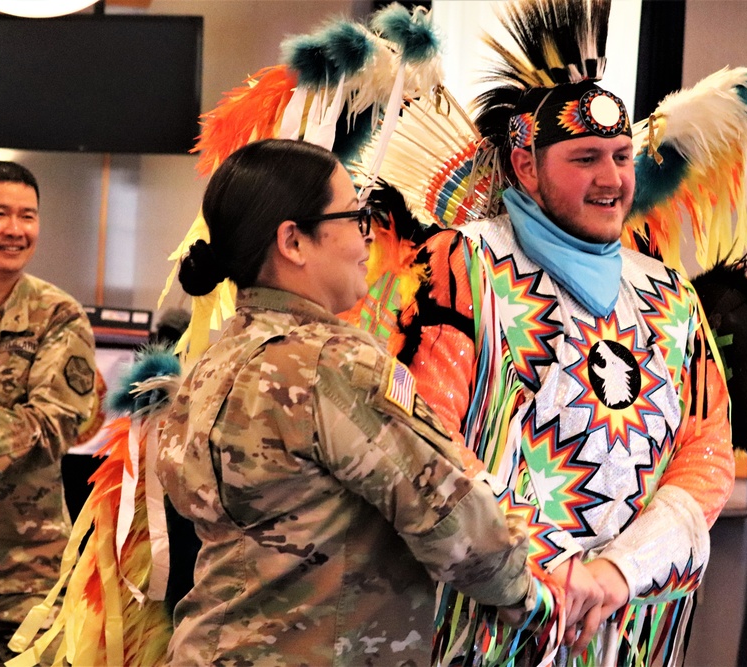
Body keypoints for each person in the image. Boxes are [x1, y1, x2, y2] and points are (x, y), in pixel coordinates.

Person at [393, 4, 736, 662]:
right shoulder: (460, 268)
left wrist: (616, 572)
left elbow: (706, 453)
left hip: (626, 625)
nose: (612, 178)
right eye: (585, 158)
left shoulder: (670, 296)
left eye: (620, 156)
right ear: (526, 165)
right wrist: (539, 572)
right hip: (491, 625)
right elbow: (423, 439)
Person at [157, 138, 537, 666]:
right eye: (355, 216)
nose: (369, 235)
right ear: (293, 240)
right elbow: (452, 520)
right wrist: (532, 598)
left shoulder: (215, 360)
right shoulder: (332, 363)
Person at [0, 161, 97, 663]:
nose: (15, 229)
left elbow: (54, 424)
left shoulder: (59, 314)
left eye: (27, 216)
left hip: (24, 569)